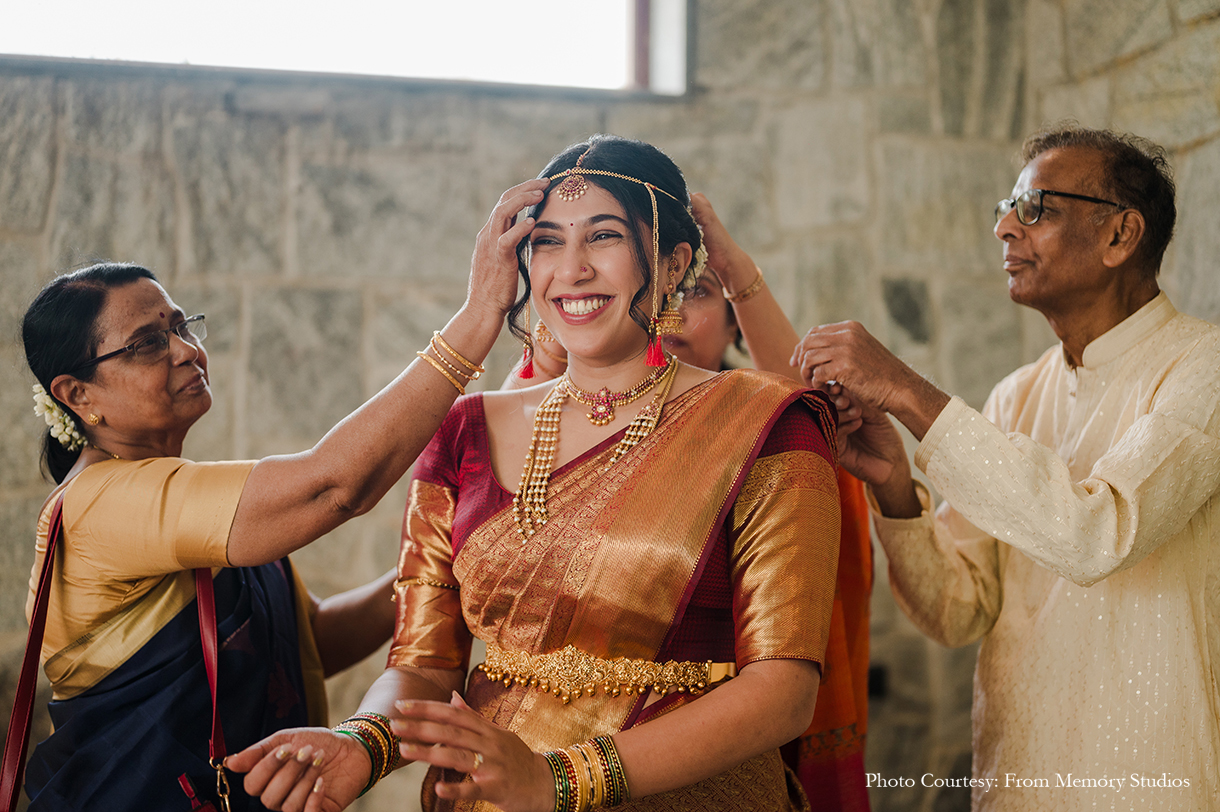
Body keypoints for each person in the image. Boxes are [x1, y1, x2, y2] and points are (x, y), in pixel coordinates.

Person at [231, 134, 843, 812]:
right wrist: (362, 742)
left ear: (673, 264)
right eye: (547, 242)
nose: (571, 269)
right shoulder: (463, 429)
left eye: (603, 237)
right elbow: (425, 665)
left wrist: (555, 780)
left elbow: (784, 690)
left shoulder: (767, 424)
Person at [16, 180, 540, 811]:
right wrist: (481, 312)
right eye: (150, 343)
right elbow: (333, 486)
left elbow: (306, 640)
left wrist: (441, 566)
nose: (187, 351)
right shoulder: (97, 507)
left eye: (181, 327)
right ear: (78, 395)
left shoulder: (187, 500)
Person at [793, 125, 1220, 809]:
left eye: (1035, 208)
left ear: (1121, 236)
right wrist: (895, 487)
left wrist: (909, 390)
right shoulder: (1016, 394)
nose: (1002, 229)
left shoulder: (1203, 367)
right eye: (1005, 207)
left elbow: (1097, 532)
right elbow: (961, 612)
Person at [508, 192, 874, 811]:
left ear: (735, 321)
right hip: (533, 760)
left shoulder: (773, 429)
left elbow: (799, 410)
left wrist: (737, 271)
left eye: (697, 290)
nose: (669, 308)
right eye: (553, 242)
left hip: (729, 752)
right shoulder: (542, 424)